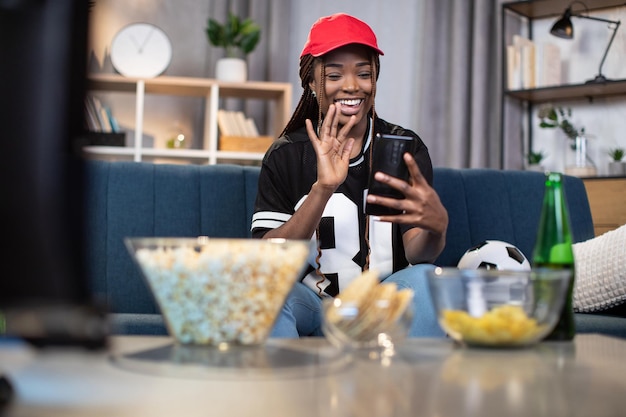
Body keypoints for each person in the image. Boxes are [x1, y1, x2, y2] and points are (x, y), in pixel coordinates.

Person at [251, 13, 448, 337]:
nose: (352, 85)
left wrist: (437, 229)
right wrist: (323, 188)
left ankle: (406, 388)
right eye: (334, 74)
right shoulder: (286, 154)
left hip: (386, 300)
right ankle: (282, 388)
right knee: (264, 291)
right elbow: (267, 261)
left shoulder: (404, 147)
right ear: (312, 83)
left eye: (364, 73)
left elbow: (418, 252)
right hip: (314, 304)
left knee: (427, 280)